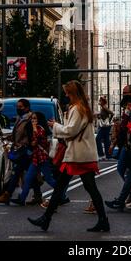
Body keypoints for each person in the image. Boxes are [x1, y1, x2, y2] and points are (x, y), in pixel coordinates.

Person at [27, 80, 110, 232]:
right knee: (72, 187)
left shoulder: (78, 109)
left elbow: (70, 130)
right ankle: (47, 218)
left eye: (67, 92)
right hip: (80, 154)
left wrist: (55, 126)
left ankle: (46, 219)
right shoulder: (81, 108)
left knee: (71, 187)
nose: (66, 95)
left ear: (73, 93)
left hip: (79, 155)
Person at [0, 99, 42, 204]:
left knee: (17, 172)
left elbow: (31, 135)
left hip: (26, 151)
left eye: (20, 107)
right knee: (29, 173)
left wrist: (25, 145)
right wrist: (10, 138)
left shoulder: (30, 119)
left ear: (27, 107)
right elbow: (18, 133)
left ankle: (8, 194)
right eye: (17, 107)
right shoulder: (21, 118)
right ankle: (37, 196)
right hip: (22, 150)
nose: (18, 109)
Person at [10, 112, 56, 206]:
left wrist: (34, 129)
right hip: (36, 158)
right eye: (32, 119)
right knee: (28, 179)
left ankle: (62, 194)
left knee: (49, 179)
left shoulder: (40, 129)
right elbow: (32, 143)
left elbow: (36, 141)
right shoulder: (35, 129)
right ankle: (22, 199)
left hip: (42, 158)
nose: (33, 120)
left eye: (35, 119)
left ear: (39, 120)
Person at [95, 96, 114, 160]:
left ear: (102, 102)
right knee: (106, 140)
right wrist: (99, 116)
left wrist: (108, 120)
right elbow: (104, 116)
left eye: (100, 100)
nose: (99, 102)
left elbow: (112, 113)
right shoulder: (103, 108)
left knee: (98, 139)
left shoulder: (104, 107)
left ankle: (101, 155)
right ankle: (108, 156)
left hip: (105, 127)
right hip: (105, 126)